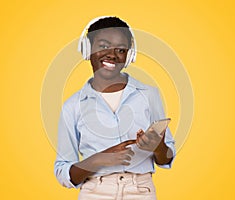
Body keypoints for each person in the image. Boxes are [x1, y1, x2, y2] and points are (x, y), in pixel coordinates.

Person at [54, 16, 176, 200]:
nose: (112, 54)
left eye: (120, 49)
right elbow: (63, 171)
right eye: (103, 46)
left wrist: (158, 148)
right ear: (87, 49)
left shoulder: (149, 94)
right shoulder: (72, 106)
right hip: (94, 192)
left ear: (129, 55)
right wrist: (98, 159)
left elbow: (167, 157)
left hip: (141, 191)